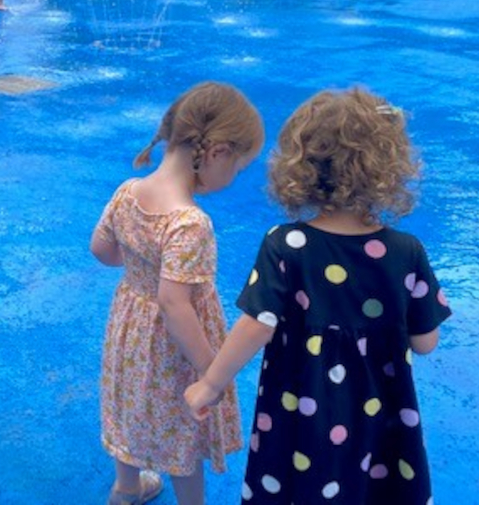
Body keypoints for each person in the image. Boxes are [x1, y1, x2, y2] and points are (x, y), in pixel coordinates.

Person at [185, 87, 452, 505]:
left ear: (301, 165)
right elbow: (426, 343)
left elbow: (257, 324)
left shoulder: (285, 244)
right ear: (388, 165)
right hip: (377, 421)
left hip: (299, 416)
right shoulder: (406, 252)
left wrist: (212, 384)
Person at [92, 82, 265, 505]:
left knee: (131, 405)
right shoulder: (190, 222)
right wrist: (211, 372)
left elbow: (101, 249)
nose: (234, 177)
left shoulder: (128, 191)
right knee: (183, 425)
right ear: (218, 151)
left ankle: (127, 489)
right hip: (174, 348)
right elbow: (175, 306)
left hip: (129, 329)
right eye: (238, 167)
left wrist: (141, 270)